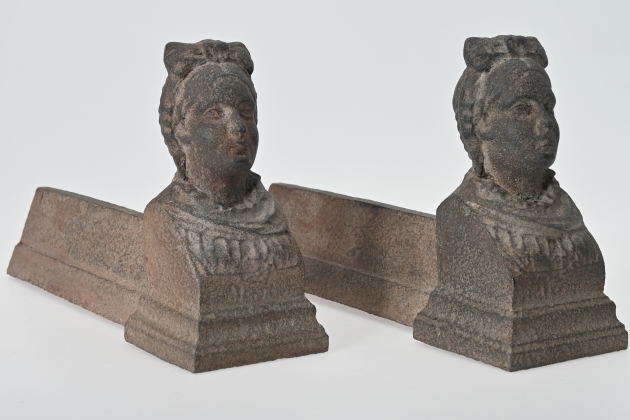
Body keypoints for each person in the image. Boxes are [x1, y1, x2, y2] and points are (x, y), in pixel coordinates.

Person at [414, 35, 627, 370]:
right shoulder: (464, 214)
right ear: (481, 122)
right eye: (523, 109)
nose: (545, 123)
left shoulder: (564, 209)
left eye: (548, 107)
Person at [124, 40, 328, 373]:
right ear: (181, 129)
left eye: (245, 113)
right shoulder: (168, 218)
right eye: (215, 114)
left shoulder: (271, 215)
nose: (237, 127)